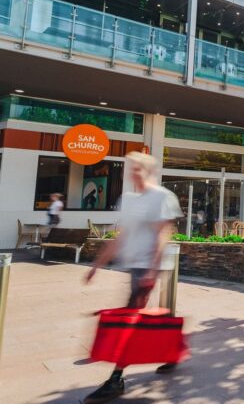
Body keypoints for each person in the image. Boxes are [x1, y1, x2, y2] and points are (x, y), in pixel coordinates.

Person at [83, 152, 182, 404]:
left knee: (130, 320)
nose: (134, 172)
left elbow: (163, 235)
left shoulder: (161, 197)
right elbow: (121, 236)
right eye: (132, 168)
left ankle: (116, 379)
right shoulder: (127, 199)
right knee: (149, 316)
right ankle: (172, 352)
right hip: (134, 264)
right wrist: (97, 264)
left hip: (147, 266)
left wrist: (152, 269)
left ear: (148, 171)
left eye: (138, 168)